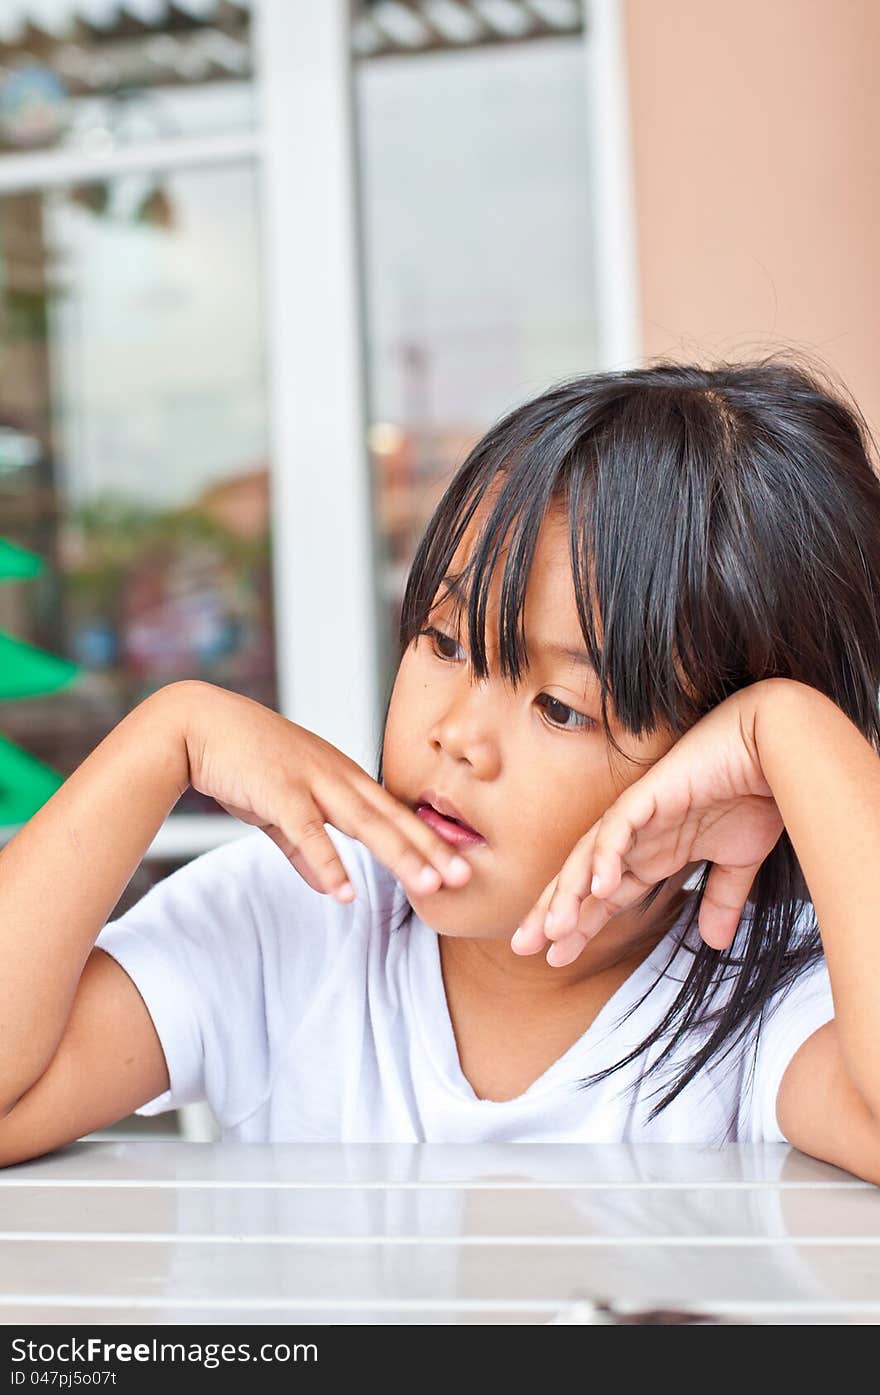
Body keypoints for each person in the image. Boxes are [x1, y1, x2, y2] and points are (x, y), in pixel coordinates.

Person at [1, 353, 879, 1180]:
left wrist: (792, 732)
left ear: (714, 774)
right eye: (447, 639)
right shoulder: (293, 921)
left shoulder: (766, 1005)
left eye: (561, 706)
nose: (458, 735)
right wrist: (164, 737)